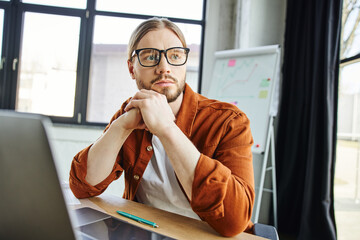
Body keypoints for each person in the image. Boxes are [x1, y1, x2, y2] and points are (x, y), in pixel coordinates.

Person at [70, 17, 255, 237]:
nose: (164, 68)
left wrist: (168, 129)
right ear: (132, 68)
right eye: (150, 57)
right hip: (146, 231)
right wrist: (120, 127)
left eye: (175, 56)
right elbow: (83, 187)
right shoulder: (129, 113)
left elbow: (234, 221)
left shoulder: (229, 121)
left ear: (185, 63)